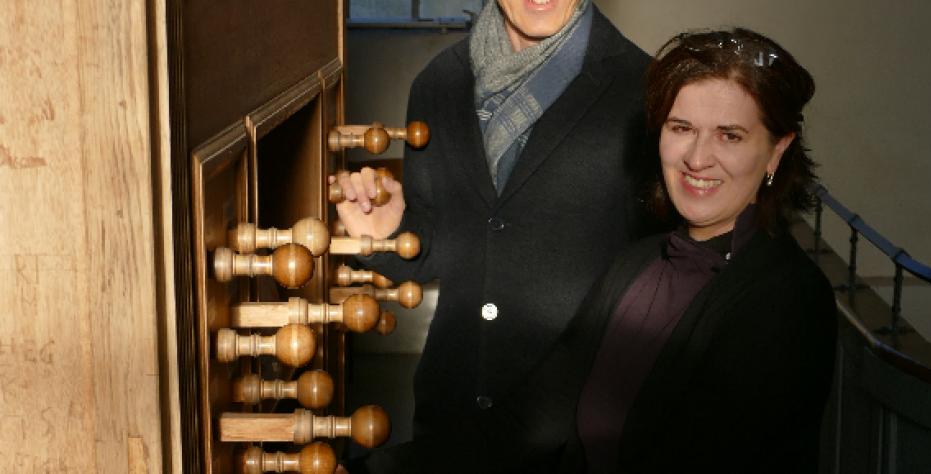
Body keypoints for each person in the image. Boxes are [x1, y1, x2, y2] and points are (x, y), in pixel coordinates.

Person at [349, 27, 837, 473]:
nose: (696, 157)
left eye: (730, 135)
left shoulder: (790, 300)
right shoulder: (637, 265)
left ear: (776, 150)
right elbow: (530, 422)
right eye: (681, 128)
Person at [333, 0, 652, 447]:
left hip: (579, 437)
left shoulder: (643, 93)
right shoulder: (438, 85)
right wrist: (387, 234)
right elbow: (442, 245)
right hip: (452, 419)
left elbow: (661, 278)